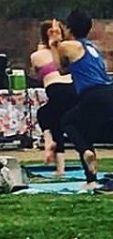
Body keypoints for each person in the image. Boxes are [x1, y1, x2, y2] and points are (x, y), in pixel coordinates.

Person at [47, 10, 113, 189]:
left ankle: (86, 153)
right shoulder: (91, 47)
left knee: (67, 121)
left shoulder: (70, 45)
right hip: (109, 94)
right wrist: (57, 43)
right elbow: (68, 69)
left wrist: (54, 42)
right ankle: (91, 179)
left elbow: (59, 68)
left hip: (93, 93)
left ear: (68, 28)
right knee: (85, 135)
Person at [30, 21, 78, 176]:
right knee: (56, 123)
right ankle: (60, 169)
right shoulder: (69, 50)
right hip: (72, 90)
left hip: (56, 89)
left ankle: (48, 141)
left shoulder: (37, 55)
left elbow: (37, 74)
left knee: (43, 115)